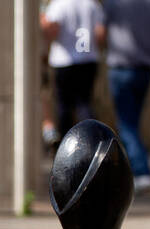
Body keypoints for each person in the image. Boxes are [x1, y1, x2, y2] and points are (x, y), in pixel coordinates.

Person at [101, 0, 150, 191]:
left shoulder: (113, 3)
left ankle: (141, 171)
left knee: (127, 124)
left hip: (121, 68)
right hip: (145, 69)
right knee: (133, 122)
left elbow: (100, 33)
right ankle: (133, 170)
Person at [41, 0, 103, 142]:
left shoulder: (60, 4)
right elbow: (100, 34)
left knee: (64, 106)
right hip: (88, 59)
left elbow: (51, 29)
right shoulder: (92, 4)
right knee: (84, 104)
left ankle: (67, 143)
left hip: (65, 60)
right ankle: (91, 141)